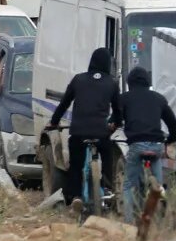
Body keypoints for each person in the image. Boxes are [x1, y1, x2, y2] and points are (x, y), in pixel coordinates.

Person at [45, 48, 123, 216]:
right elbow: (118, 110)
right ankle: (108, 188)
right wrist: (115, 124)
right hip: (101, 132)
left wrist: (54, 122)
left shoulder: (78, 80)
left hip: (78, 131)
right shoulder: (112, 83)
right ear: (108, 64)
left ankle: (76, 196)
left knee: (76, 165)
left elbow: (64, 104)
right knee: (107, 155)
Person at [118, 64, 176, 220]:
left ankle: (128, 223)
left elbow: (115, 120)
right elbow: (173, 124)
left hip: (136, 145)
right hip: (156, 146)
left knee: (129, 186)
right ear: (148, 82)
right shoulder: (159, 98)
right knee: (157, 186)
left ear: (129, 82)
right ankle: (157, 210)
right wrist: (170, 139)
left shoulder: (124, 98)